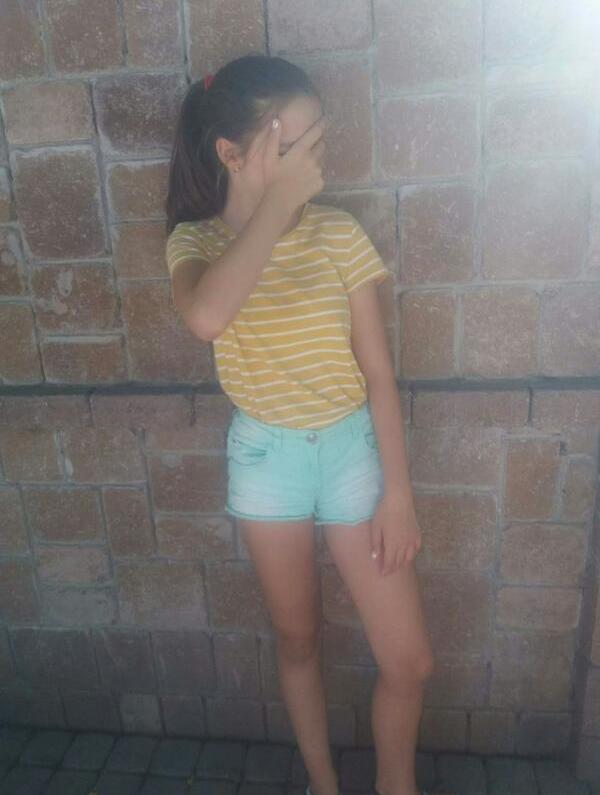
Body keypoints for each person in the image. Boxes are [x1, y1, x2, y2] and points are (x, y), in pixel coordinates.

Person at [164, 54, 435, 795]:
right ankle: (324, 783)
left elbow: (378, 373)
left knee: (409, 661)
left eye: (321, 138)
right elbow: (207, 317)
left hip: (351, 452)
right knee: (297, 638)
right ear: (231, 153)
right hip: (267, 460)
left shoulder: (338, 233)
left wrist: (399, 493)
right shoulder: (196, 244)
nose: (317, 157)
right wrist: (277, 204)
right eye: (298, 144)